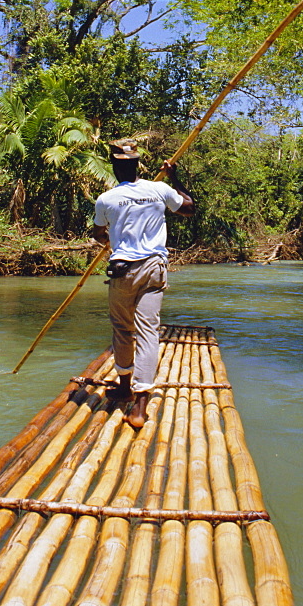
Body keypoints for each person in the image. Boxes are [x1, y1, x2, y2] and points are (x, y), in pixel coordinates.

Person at [92, 138, 195, 428]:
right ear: (138, 164)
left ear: (114, 166)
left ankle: (125, 386)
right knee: (148, 332)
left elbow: (98, 233)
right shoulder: (160, 189)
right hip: (153, 269)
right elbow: (188, 208)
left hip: (122, 271)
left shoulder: (107, 199)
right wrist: (174, 177)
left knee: (123, 329)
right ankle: (139, 407)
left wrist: (111, 242)